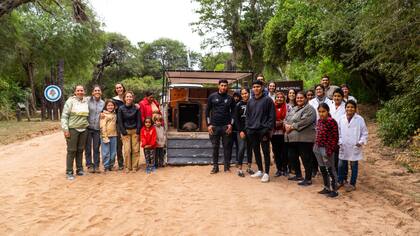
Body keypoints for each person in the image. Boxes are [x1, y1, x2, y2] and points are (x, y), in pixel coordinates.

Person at [284, 91, 316, 186]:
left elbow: (305, 121)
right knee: (292, 157)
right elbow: (286, 118)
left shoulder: (309, 109)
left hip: (304, 139)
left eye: (301, 98)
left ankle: (308, 178)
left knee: (306, 159)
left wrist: (292, 127)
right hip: (292, 139)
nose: (299, 99)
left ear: (306, 98)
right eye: (298, 98)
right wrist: (285, 125)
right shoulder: (293, 109)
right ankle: (298, 175)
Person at [246, 80, 275, 183]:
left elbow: (272, 117)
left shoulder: (268, 100)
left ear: (262, 88)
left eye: (258, 86)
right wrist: (248, 128)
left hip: (263, 131)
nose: (256, 89)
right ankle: (260, 170)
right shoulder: (250, 101)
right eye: (254, 87)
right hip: (252, 131)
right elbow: (248, 116)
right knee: (256, 151)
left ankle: (266, 173)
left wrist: (267, 129)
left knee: (266, 152)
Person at [337, 100, 368, 192]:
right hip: (343, 145)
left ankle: (352, 183)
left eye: (352, 107)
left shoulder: (359, 119)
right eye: (348, 107)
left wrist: (361, 141)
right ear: (345, 108)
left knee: (354, 165)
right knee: (341, 164)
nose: (349, 108)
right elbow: (338, 132)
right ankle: (340, 181)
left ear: (355, 109)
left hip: (355, 145)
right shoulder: (341, 118)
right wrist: (340, 141)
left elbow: (364, 132)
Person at [206, 79, 235, 173]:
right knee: (215, 147)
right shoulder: (212, 97)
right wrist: (209, 124)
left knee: (227, 147)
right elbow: (207, 111)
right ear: (218, 86)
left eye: (225, 85)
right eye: (222, 85)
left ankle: (226, 167)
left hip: (226, 127)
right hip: (214, 127)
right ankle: (215, 167)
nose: (223, 87)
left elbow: (234, 113)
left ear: (227, 87)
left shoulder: (230, 98)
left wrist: (231, 124)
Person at [61, 85, 89, 180]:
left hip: (84, 129)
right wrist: (65, 129)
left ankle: (79, 169)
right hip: (73, 129)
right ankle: (69, 171)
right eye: (78, 90)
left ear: (84, 92)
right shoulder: (70, 101)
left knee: (80, 150)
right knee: (71, 150)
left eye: (82, 90)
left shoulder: (86, 101)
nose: (80, 92)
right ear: (75, 92)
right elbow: (64, 116)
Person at [313, 103, 339, 198]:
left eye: (323, 111)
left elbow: (335, 137)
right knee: (323, 168)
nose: (321, 113)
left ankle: (334, 190)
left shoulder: (331, 121)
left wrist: (330, 150)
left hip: (327, 149)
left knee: (330, 169)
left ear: (328, 111)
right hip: (318, 148)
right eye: (319, 112)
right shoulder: (319, 121)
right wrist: (315, 146)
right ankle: (326, 187)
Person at [118, 91, 141, 173]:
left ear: (133, 98)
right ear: (124, 98)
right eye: (127, 96)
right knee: (127, 150)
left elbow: (139, 120)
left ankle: (135, 167)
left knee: (135, 150)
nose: (129, 98)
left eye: (130, 96)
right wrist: (123, 131)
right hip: (126, 131)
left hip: (135, 131)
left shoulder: (136, 108)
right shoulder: (121, 108)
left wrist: (138, 131)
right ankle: (128, 167)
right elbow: (120, 121)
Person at [234, 88, 254, 177]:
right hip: (241, 131)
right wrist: (240, 130)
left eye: (246, 93)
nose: (244, 95)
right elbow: (236, 119)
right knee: (241, 148)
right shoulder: (238, 105)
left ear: (249, 93)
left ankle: (249, 167)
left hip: (251, 131)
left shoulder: (253, 103)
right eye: (242, 94)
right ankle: (240, 169)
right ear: (241, 95)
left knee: (250, 149)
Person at [85, 85, 104, 173]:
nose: (97, 92)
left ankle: (96, 165)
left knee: (96, 147)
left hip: (97, 128)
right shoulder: (87, 100)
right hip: (88, 128)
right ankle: (89, 165)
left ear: (101, 92)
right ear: (92, 92)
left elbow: (107, 111)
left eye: (98, 90)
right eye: (95, 90)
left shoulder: (103, 103)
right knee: (88, 147)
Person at [329, 88, 346, 174]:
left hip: (343, 134)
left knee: (342, 158)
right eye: (335, 96)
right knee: (333, 156)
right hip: (331, 135)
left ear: (342, 97)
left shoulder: (346, 107)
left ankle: (343, 177)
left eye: (339, 96)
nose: (336, 98)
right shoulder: (330, 106)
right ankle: (334, 175)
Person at [271, 90, 288, 177]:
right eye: (278, 97)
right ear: (275, 98)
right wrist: (274, 123)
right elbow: (269, 117)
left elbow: (290, 117)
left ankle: (285, 169)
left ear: (284, 98)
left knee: (284, 152)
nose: (279, 99)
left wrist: (282, 122)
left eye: (281, 97)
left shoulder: (287, 107)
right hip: (274, 134)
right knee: (276, 152)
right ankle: (278, 169)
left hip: (284, 133)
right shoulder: (272, 107)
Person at [100, 99, 118, 172]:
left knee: (113, 152)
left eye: (112, 105)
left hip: (114, 135)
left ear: (114, 106)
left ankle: (111, 165)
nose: (110, 107)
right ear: (105, 106)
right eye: (108, 105)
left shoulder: (115, 114)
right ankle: (106, 166)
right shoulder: (103, 115)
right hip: (105, 136)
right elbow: (102, 126)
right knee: (105, 152)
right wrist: (104, 136)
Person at [112, 83, 126, 170]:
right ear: (115, 90)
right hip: (118, 124)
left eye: (120, 87)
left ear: (123, 88)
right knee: (119, 145)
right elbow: (109, 108)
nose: (119, 89)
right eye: (117, 88)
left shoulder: (127, 97)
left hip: (128, 123)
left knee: (128, 145)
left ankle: (129, 162)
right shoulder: (114, 100)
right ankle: (121, 163)